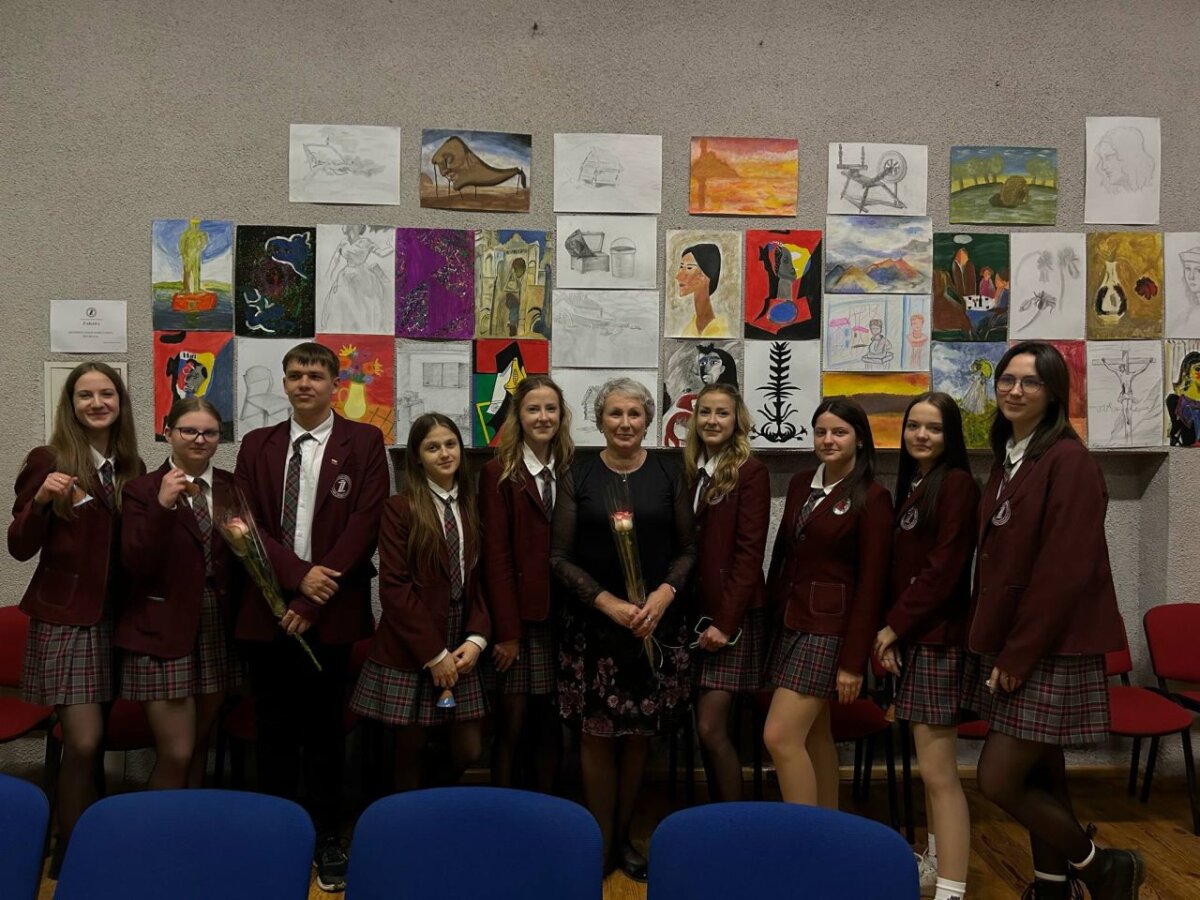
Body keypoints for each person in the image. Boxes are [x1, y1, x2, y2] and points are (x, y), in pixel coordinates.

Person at [969, 341, 1143, 900]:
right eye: (1007, 379)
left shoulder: (1069, 461)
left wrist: (1018, 654)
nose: (1015, 390)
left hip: (1050, 645)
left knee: (997, 778)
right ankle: (1051, 887)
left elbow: (1063, 571)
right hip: (1021, 638)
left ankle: (1103, 868)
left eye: (1031, 382)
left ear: (1053, 394)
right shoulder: (1011, 457)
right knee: (1042, 773)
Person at [233, 341, 388, 893]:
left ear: (333, 384)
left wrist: (311, 598)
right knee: (272, 727)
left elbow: (365, 523)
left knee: (324, 729)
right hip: (267, 610)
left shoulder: (364, 441)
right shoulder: (257, 444)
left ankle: (325, 836)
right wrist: (297, 579)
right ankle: (277, 834)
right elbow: (246, 522)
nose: (305, 383)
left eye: (316, 375)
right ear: (284, 383)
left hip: (331, 611)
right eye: (296, 374)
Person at [551, 377, 696, 880]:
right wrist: (607, 602)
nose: (625, 423)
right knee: (595, 737)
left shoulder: (670, 472)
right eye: (615, 413)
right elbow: (559, 556)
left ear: (648, 418)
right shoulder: (578, 474)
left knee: (638, 738)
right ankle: (600, 843)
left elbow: (688, 549)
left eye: (634, 414)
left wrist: (663, 595)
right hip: (594, 629)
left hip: (653, 627)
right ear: (600, 421)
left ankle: (625, 837)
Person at [8, 362, 143, 875]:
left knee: (96, 740)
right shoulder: (49, 459)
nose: (97, 403)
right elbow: (19, 546)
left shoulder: (130, 466)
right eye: (85, 395)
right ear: (71, 405)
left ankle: (91, 840)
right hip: (67, 621)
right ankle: (70, 855)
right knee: (82, 741)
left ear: (120, 402)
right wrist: (42, 502)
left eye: (106, 393)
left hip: (115, 621)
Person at [762, 397, 892, 807]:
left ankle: (802, 834)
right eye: (821, 432)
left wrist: (853, 662)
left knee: (780, 737)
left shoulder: (872, 497)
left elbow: (872, 585)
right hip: (790, 621)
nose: (828, 440)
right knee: (815, 735)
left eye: (839, 432)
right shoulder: (802, 483)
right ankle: (829, 826)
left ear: (859, 439)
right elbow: (783, 555)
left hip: (829, 630)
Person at [874, 393, 978, 900]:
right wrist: (894, 632)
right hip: (915, 638)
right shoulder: (916, 483)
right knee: (928, 769)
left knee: (940, 774)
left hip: (939, 641)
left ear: (949, 434)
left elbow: (943, 570)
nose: (920, 435)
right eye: (914, 425)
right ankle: (936, 864)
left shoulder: (957, 484)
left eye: (933, 428)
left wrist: (892, 628)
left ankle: (952, 889)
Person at [351, 414, 490, 790]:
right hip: (413, 643)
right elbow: (394, 588)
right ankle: (406, 817)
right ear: (417, 457)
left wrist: (477, 639)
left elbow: (481, 581)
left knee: (469, 749)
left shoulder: (471, 506)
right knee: (408, 750)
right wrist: (434, 654)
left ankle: (435, 802)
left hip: (460, 639)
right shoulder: (401, 508)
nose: (444, 453)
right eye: (432, 447)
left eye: (450, 444)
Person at [117, 398, 238, 790]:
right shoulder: (142, 489)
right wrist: (162, 505)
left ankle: (190, 821)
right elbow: (136, 562)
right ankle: (156, 827)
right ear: (168, 432)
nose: (200, 439)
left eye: (210, 432)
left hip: (216, 625)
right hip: (162, 629)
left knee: (200, 743)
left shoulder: (231, 486)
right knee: (177, 752)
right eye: (189, 430)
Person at [478, 375, 575, 791]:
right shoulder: (498, 473)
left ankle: (547, 810)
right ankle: (504, 810)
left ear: (561, 416)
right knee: (512, 724)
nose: (543, 417)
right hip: (519, 621)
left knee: (552, 723)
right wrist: (507, 632)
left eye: (551, 409)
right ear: (518, 416)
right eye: (533, 409)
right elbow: (495, 558)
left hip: (563, 618)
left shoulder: (571, 468)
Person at [683, 384, 769, 803]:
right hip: (693, 614)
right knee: (703, 730)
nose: (712, 421)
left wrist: (725, 623)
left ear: (737, 421)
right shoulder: (690, 470)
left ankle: (734, 822)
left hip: (731, 618)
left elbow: (750, 555)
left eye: (722, 413)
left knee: (710, 727)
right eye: (705, 412)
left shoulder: (750, 472)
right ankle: (714, 816)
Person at [676, 243, 729, 337]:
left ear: (706, 276)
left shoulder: (722, 331)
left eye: (689, 268)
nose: (678, 276)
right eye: (681, 267)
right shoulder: (688, 330)